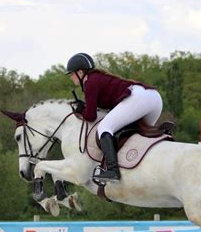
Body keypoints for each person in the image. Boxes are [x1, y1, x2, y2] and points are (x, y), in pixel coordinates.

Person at [66, 53, 163, 182]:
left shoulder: (90, 82)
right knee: (135, 135)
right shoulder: (96, 78)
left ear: (80, 72)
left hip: (139, 98)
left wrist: (80, 110)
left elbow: (90, 116)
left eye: (71, 74)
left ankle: (112, 170)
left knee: (104, 127)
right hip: (154, 98)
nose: (71, 77)